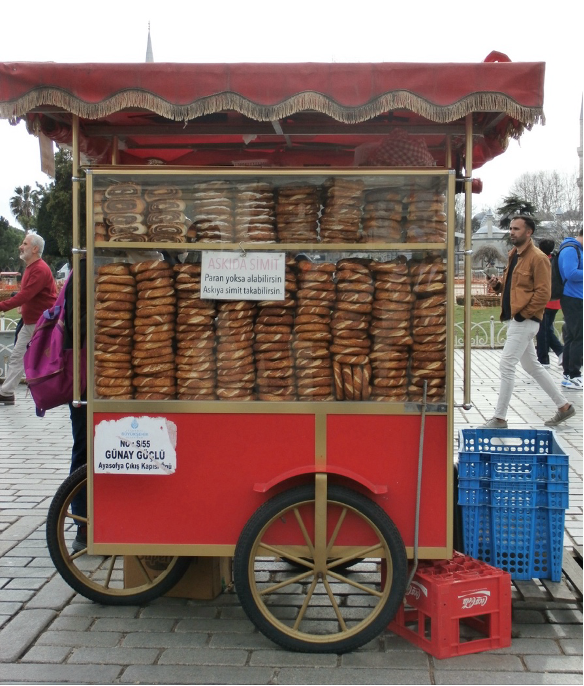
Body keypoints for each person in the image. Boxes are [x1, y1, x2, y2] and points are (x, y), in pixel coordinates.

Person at [480, 216, 576, 428]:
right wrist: (498, 286)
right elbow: (515, 288)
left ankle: (499, 417)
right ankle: (564, 406)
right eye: (511, 228)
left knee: (506, 364)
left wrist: (525, 315)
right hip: (515, 318)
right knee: (533, 366)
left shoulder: (538, 258)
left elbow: (544, 293)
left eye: (516, 229)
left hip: (524, 320)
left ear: (528, 232)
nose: (512, 232)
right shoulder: (515, 254)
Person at [0, 233, 57, 405]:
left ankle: (62, 390)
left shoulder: (39, 269)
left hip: (42, 323)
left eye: (24, 243)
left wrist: (2, 306)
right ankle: (7, 392)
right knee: (18, 355)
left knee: (51, 357)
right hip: (32, 323)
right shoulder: (32, 267)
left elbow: (26, 295)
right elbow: (28, 296)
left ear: (35, 248)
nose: (21, 246)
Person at [63, 262, 88, 552]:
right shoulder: (85, 267)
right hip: (86, 380)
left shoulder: (159, 256)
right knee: (84, 448)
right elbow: (76, 323)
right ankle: (83, 525)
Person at [559, 227, 583, 390]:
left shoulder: (576, 249)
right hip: (573, 299)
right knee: (578, 337)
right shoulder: (570, 249)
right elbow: (570, 273)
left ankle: (568, 374)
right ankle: (574, 375)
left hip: (577, 298)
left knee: (572, 336)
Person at [535, 239, 564, 368]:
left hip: (545, 301)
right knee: (546, 329)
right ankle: (559, 353)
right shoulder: (555, 260)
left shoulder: (542, 261)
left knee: (543, 331)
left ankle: (545, 358)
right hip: (556, 301)